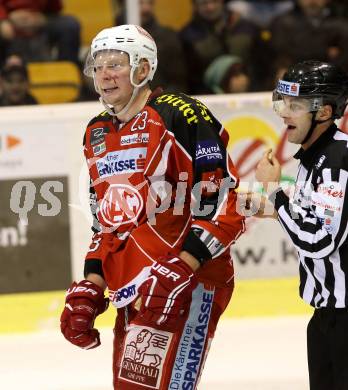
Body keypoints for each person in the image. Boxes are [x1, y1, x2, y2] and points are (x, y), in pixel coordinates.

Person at [60, 24, 245, 389]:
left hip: (187, 282)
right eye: (97, 65)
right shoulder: (97, 130)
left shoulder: (182, 114)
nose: (104, 74)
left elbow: (225, 199)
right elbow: (108, 223)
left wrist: (182, 268)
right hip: (134, 286)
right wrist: (93, 284)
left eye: (115, 63)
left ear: (143, 69)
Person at [254, 60, 348, 390]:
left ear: (323, 112)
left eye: (295, 106)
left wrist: (275, 192)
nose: (283, 113)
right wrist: (269, 205)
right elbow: (311, 212)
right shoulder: (315, 156)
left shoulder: (337, 161)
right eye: (282, 102)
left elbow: (319, 240)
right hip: (327, 317)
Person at [115, 0, 188, 93]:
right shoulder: (108, 40)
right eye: (140, 3)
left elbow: (178, 82)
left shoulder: (167, 37)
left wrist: (161, 103)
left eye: (150, 3)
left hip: (159, 102)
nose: (146, 8)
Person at [0, 0, 80, 64]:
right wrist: (4, 19)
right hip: (7, 20)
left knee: (69, 25)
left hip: (38, 19)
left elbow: (55, 8)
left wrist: (42, 18)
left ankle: (66, 73)